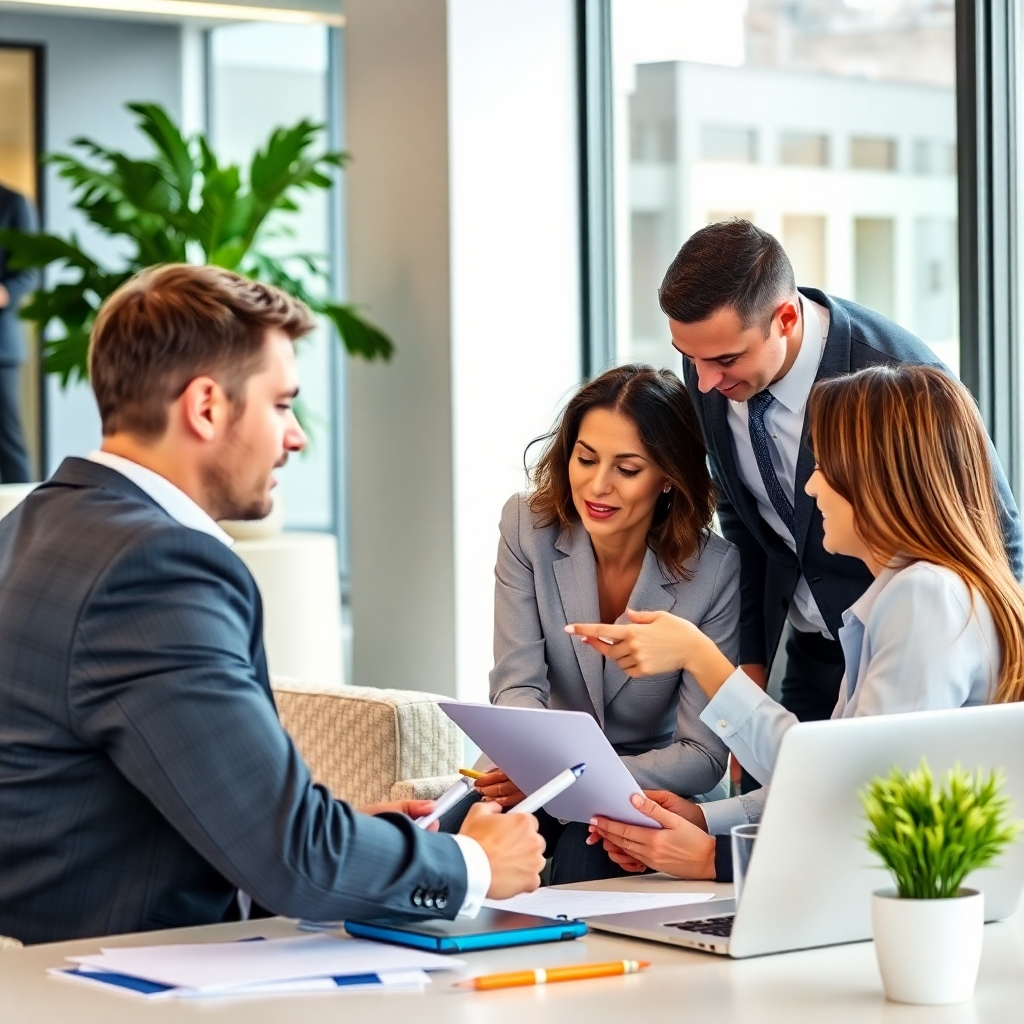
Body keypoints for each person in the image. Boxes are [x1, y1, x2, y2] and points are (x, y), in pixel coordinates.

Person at [0, 264, 545, 946]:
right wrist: (476, 864)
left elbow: (150, 803)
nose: (297, 437)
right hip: (117, 983)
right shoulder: (156, 568)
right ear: (206, 407)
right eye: (282, 404)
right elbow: (291, 857)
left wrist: (346, 837)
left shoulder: (30, 529)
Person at [571, 364, 1024, 880]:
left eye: (826, 467)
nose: (810, 487)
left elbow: (853, 794)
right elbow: (826, 774)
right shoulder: (909, 595)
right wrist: (705, 819)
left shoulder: (924, 597)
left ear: (878, 481)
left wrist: (712, 858)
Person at [660, 220, 1022, 791]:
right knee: (786, 799)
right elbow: (745, 519)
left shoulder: (892, 376)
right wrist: (748, 662)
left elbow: (992, 529)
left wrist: (1011, 688)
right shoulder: (709, 360)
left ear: (784, 317)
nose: (703, 383)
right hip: (818, 643)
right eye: (690, 357)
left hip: (910, 642)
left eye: (724, 360)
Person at [477, 364, 738, 882]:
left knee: (588, 853)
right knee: (467, 843)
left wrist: (563, 778)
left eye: (628, 468)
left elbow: (703, 755)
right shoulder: (526, 527)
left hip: (650, 780)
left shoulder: (715, 570)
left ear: (668, 477)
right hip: (534, 758)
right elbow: (516, 685)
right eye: (586, 458)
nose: (598, 485)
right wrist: (537, 766)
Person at [0, 182, 39, 482]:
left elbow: (30, 272)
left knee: (8, 442)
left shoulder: (13, 203)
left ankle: (21, 517)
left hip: (2, 349)